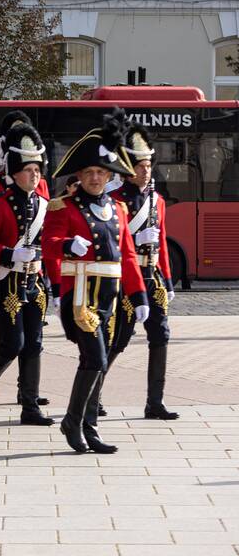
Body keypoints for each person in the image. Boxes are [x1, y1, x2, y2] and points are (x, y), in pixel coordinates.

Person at [42, 109, 148, 454]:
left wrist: (140, 295)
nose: (95, 178)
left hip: (110, 297)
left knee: (98, 359)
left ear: (108, 175)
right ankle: (74, 422)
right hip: (80, 295)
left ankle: (88, 426)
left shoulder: (118, 210)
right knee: (96, 359)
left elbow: (128, 256)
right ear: (81, 175)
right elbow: (48, 247)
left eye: (101, 172)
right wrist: (64, 254)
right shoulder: (63, 207)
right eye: (89, 172)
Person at [0, 123, 54, 426]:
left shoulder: (44, 204)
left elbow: (49, 241)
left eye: (38, 170)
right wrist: (8, 254)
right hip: (8, 281)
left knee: (34, 343)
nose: (35, 175)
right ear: (16, 172)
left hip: (34, 282)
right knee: (12, 342)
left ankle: (30, 406)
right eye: (29, 170)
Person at [106, 123, 179, 420]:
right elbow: (115, 242)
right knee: (118, 339)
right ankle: (93, 395)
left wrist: (169, 280)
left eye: (148, 166)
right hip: (127, 279)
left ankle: (155, 402)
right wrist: (137, 240)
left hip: (154, 277)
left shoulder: (156, 200)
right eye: (140, 166)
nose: (146, 171)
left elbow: (161, 241)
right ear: (127, 168)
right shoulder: (116, 200)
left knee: (160, 336)